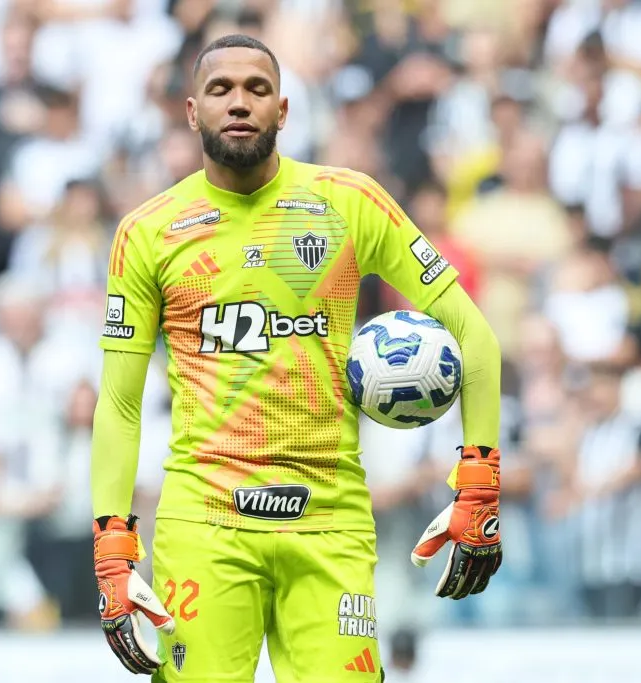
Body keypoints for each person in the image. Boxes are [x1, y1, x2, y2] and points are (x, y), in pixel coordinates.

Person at [91, 34, 503, 682]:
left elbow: (474, 336)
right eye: (221, 89)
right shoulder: (148, 232)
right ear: (192, 111)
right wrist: (113, 545)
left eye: (257, 89)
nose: (239, 102)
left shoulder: (349, 203)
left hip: (331, 524)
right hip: (204, 526)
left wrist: (478, 480)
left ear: (283, 111)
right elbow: (118, 399)